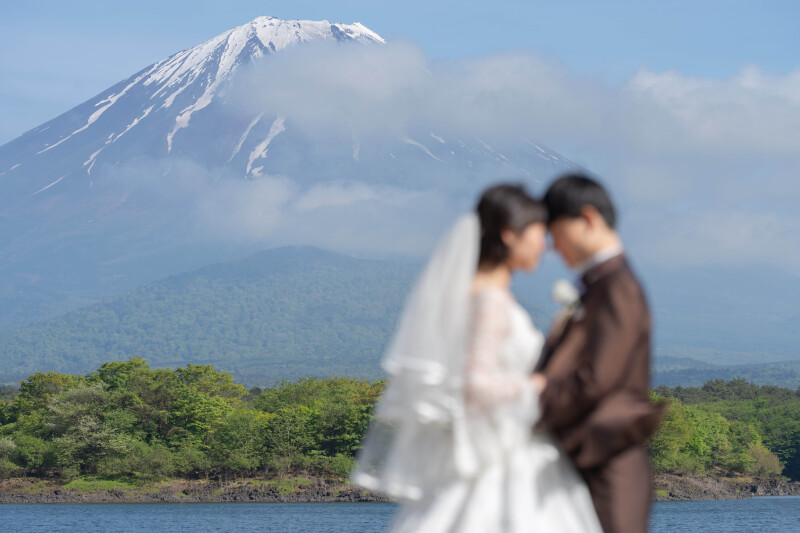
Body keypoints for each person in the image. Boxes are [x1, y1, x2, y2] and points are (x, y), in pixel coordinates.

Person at [352, 184, 602, 532]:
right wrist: (543, 383)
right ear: (509, 235)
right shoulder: (490, 302)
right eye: (538, 234)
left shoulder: (469, 297)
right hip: (502, 464)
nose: (544, 245)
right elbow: (474, 387)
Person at [532, 174, 665, 533]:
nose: (553, 247)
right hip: (586, 462)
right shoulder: (600, 285)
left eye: (556, 233)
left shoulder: (616, 286)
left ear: (588, 219)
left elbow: (597, 380)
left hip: (608, 470)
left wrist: (531, 396)